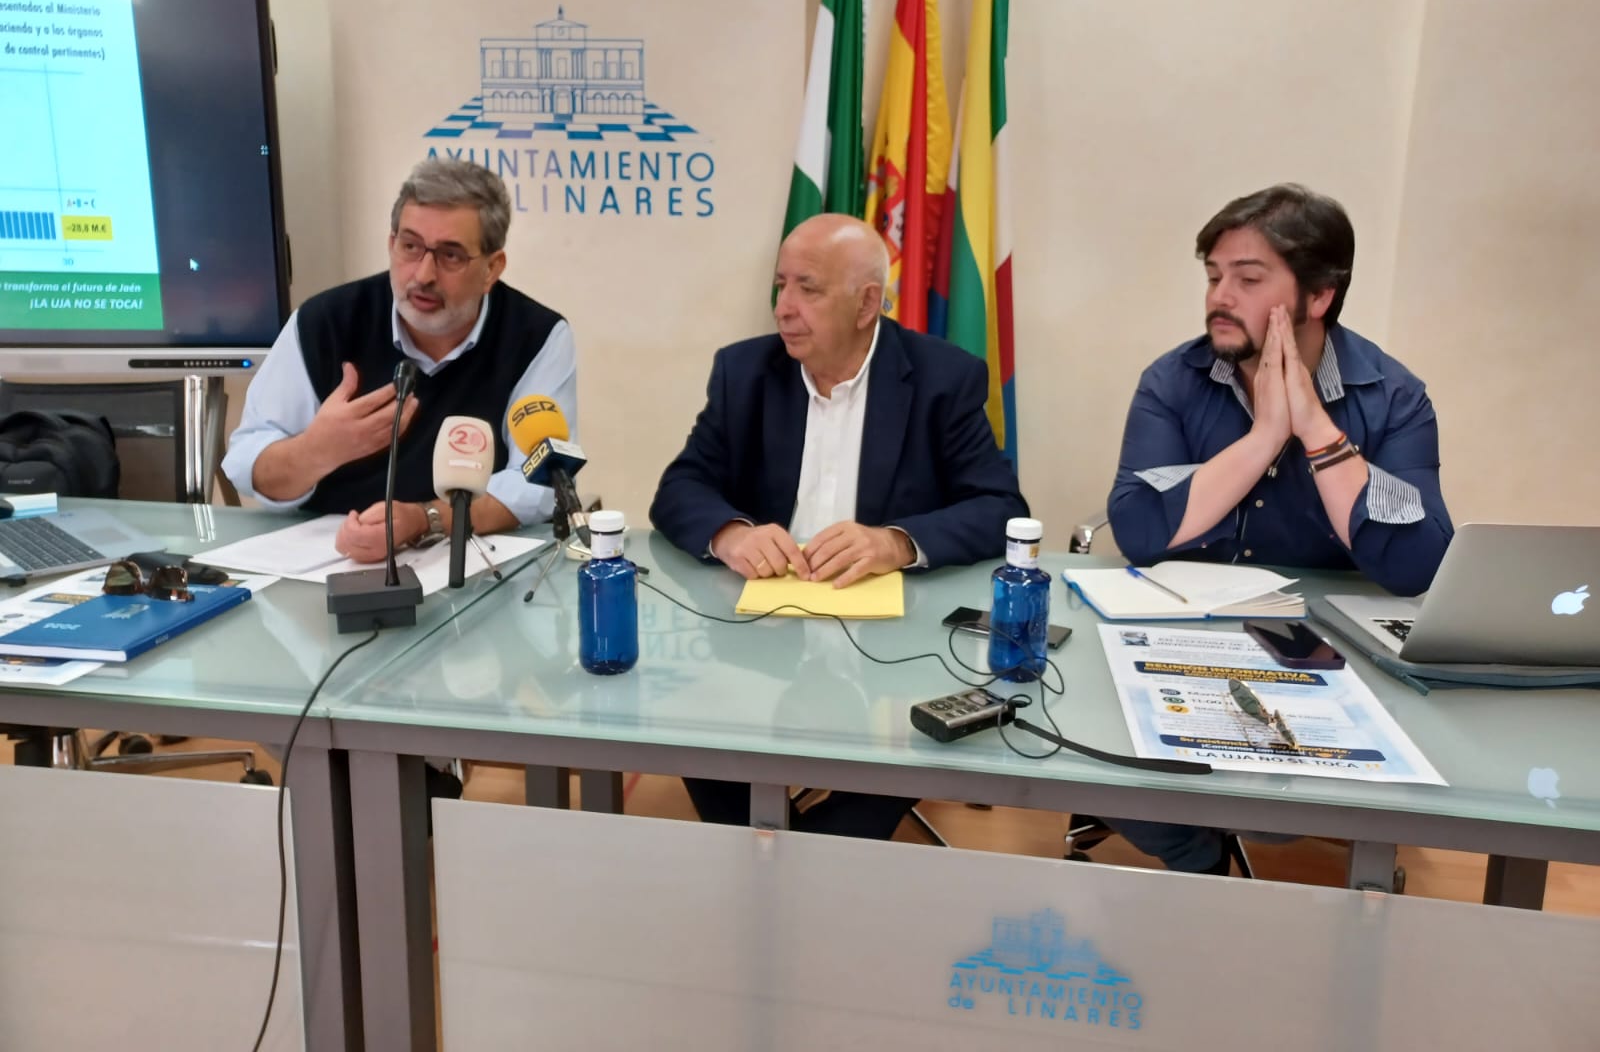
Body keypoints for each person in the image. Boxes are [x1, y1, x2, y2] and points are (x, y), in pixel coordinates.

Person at [1102, 182, 1453, 873]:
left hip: (1323, 647)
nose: (1218, 296)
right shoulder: (1172, 381)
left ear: (1317, 297)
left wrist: (1316, 431)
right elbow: (1139, 531)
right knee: (1098, 760)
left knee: (1307, 808)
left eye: (1248, 277)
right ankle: (1198, 857)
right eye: (1213, 276)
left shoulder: (1394, 398)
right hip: (1183, 632)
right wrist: (1263, 437)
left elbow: (1419, 566)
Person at [650, 212, 1028, 839]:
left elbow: (999, 506)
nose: (784, 308)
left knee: (864, 800)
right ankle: (765, 856)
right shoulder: (744, 373)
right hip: (760, 634)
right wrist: (734, 534)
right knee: (698, 736)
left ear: (867, 304)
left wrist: (895, 542)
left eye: (808, 288)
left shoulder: (942, 379)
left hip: (891, 646)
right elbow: (681, 488)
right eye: (780, 286)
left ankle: (815, 864)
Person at [223, 159, 578, 558]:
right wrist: (317, 451)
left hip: (473, 566)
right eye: (410, 246)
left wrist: (423, 519)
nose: (423, 274)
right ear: (392, 244)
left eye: (450, 256)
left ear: (492, 268)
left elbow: (538, 484)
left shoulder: (536, 336)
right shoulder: (325, 322)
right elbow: (246, 465)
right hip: (328, 563)